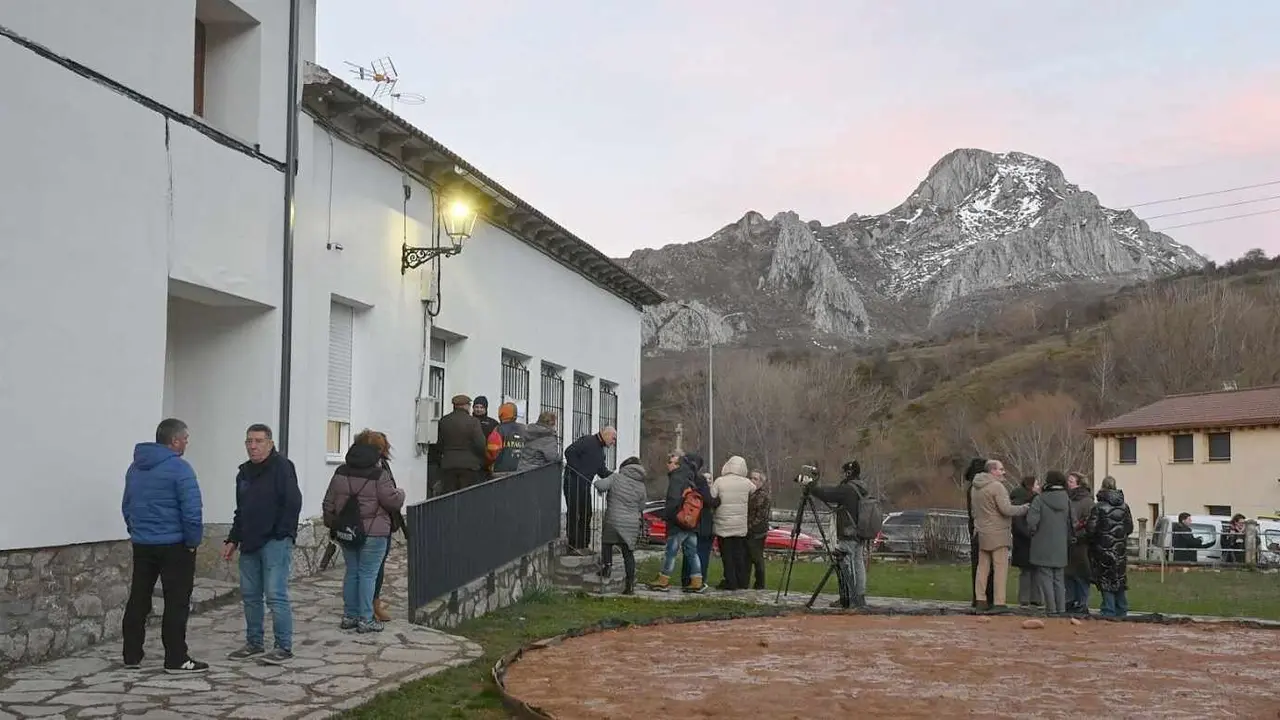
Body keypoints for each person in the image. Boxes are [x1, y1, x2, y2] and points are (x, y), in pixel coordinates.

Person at [121, 418, 207, 674]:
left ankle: (132, 655)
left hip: (143, 544)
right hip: (174, 546)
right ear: (175, 441)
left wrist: (136, 531)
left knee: (139, 597)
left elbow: (127, 505)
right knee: (176, 602)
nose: (187, 443)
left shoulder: (135, 468)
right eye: (186, 439)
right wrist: (192, 542)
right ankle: (176, 658)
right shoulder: (180, 469)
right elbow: (192, 512)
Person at [221, 424, 303, 665]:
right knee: (250, 596)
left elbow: (292, 503)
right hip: (249, 542)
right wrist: (233, 539)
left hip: (274, 542)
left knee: (275, 595)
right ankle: (254, 642)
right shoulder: (243, 473)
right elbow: (241, 510)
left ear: (270, 443)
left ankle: (283, 646)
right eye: (249, 441)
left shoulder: (282, 468)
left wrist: (282, 534)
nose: (253, 446)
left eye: (258, 441)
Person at [322, 437, 406, 633]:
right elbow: (392, 501)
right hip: (375, 533)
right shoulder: (379, 475)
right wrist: (400, 492)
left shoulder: (340, 473)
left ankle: (349, 616)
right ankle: (366, 618)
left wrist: (334, 523)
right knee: (368, 574)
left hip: (347, 532)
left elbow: (328, 502)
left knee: (352, 572)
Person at [804, 461, 872, 608]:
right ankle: (859, 597)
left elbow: (827, 494)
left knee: (846, 565)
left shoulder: (848, 489)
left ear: (848, 473)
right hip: (860, 533)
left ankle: (848, 599)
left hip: (848, 532)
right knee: (858, 563)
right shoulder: (862, 487)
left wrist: (811, 486)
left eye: (844, 472)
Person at [357, 430, 407, 624]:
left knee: (357, 571)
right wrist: (400, 494)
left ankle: (356, 609)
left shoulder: (347, 467)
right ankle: (370, 609)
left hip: (355, 525)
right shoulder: (378, 469)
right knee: (373, 571)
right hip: (376, 526)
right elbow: (390, 498)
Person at [969, 459, 1029, 612]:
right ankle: (999, 602)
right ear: (992, 471)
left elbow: (974, 512)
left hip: (982, 531)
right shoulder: (997, 487)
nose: (1004, 472)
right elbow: (1007, 510)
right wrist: (1025, 508)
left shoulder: (975, 488)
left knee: (982, 568)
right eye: (1001, 469)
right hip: (998, 533)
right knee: (1000, 568)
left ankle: (980, 600)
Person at [648, 453, 708, 593]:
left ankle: (663, 580)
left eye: (671, 462)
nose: (668, 464)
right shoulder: (691, 477)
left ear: (678, 465)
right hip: (691, 522)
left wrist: (669, 516)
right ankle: (697, 581)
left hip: (678, 522)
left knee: (671, 552)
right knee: (692, 553)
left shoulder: (677, 478)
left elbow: (674, 500)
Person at [594, 456, 648, 594]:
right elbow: (642, 506)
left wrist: (600, 487)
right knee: (628, 554)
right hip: (631, 523)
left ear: (624, 467)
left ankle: (607, 568)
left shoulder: (616, 477)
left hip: (614, 520)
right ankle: (629, 586)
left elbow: (600, 485)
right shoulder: (641, 485)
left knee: (607, 542)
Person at [1085, 476, 1134, 618]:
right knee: (1119, 578)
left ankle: (1108, 610)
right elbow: (1129, 528)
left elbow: (1091, 529)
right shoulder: (1125, 507)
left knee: (1106, 578)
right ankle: (1122, 608)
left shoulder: (1098, 507)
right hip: (1119, 549)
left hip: (1103, 548)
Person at [563, 427, 617, 554]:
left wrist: (616, 476)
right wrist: (578, 471)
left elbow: (602, 471)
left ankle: (583, 545)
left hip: (584, 485)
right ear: (606, 434)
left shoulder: (601, 452)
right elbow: (569, 452)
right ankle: (573, 546)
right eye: (613, 438)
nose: (613, 442)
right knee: (574, 513)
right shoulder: (588, 440)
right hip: (573, 482)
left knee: (586, 514)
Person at [1028, 471, 1073, 615]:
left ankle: (1051, 609)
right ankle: (1061, 609)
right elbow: (1072, 522)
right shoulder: (1067, 500)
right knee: (1059, 579)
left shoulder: (1039, 499)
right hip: (1060, 545)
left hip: (1042, 543)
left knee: (1045, 578)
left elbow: (1031, 522)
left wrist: (1034, 532)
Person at [711, 456, 755, 590]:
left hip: (723, 524)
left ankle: (730, 581)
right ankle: (741, 581)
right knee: (738, 555)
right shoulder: (747, 483)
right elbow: (754, 490)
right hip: (740, 526)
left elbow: (712, 496)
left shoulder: (719, 481)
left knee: (727, 555)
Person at [435, 394, 486, 495]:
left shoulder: (444, 421)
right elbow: (481, 444)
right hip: (469, 466)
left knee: (448, 497)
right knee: (466, 498)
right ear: (466, 406)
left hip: (448, 465)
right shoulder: (473, 422)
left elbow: (439, 444)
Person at [679, 460, 718, 588]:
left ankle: (686, 579)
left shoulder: (681, 480)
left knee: (688, 552)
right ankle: (697, 580)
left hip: (687, 522)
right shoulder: (700, 481)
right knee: (701, 553)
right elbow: (708, 501)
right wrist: (718, 499)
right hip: (701, 524)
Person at [963, 457, 996, 608]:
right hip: (984, 528)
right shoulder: (981, 489)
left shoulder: (971, 488)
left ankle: (978, 597)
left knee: (978, 564)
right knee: (986, 565)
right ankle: (986, 596)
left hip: (974, 528)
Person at [1009, 475, 1042, 608]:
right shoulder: (1024, 501)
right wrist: (1031, 534)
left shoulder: (1020, 499)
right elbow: (1018, 522)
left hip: (1023, 541)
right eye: (1037, 484)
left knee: (1030, 570)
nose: (1039, 487)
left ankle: (1030, 598)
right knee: (1029, 571)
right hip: (1026, 540)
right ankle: (1030, 598)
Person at [1064, 472, 1095, 614]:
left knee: (1081, 575)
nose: (1068, 483)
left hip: (1081, 543)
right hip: (1067, 542)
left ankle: (1082, 603)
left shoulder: (1087, 501)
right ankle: (1069, 600)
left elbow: (1089, 522)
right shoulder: (1066, 498)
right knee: (1068, 574)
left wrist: (1079, 535)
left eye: (1071, 481)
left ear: (1079, 483)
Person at [746, 471, 773, 590]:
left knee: (757, 558)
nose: (752, 480)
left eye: (755, 479)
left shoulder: (762, 496)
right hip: (749, 530)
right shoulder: (749, 494)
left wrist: (749, 526)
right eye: (751, 478)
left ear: (761, 482)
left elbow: (760, 516)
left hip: (757, 531)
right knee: (746, 558)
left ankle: (760, 584)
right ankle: (745, 582)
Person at [490, 402, 527, 475]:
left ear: (501, 414)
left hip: (501, 470)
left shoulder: (498, 429)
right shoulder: (524, 428)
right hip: (521, 470)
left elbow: (492, 450)